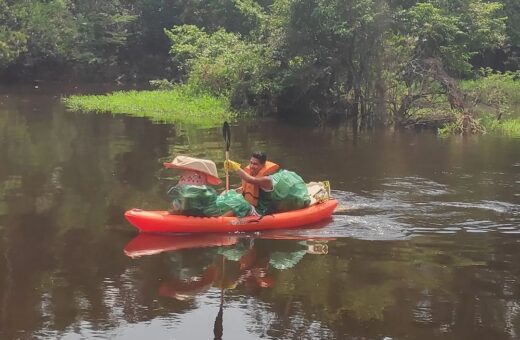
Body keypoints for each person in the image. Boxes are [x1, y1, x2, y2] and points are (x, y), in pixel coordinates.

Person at [224, 151, 310, 215]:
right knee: (228, 193)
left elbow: (250, 179)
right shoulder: (254, 174)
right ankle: (218, 214)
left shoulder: (267, 180)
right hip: (251, 206)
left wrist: (235, 167)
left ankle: (221, 221)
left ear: (262, 166)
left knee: (240, 205)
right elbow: (246, 188)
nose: (251, 166)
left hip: (260, 211)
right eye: (250, 163)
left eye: (255, 164)